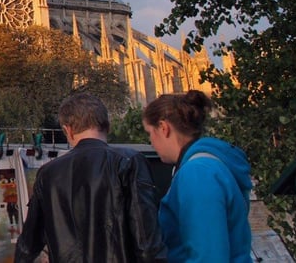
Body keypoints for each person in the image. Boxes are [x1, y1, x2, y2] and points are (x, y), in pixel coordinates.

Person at [15, 93, 166, 262]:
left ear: (68, 130)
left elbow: (28, 245)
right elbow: (146, 240)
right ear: (107, 125)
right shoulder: (129, 162)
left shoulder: (48, 174)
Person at [142, 90, 253, 262]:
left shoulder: (198, 173)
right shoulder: (208, 165)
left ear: (163, 128)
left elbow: (208, 255)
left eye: (150, 133)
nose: (151, 142)